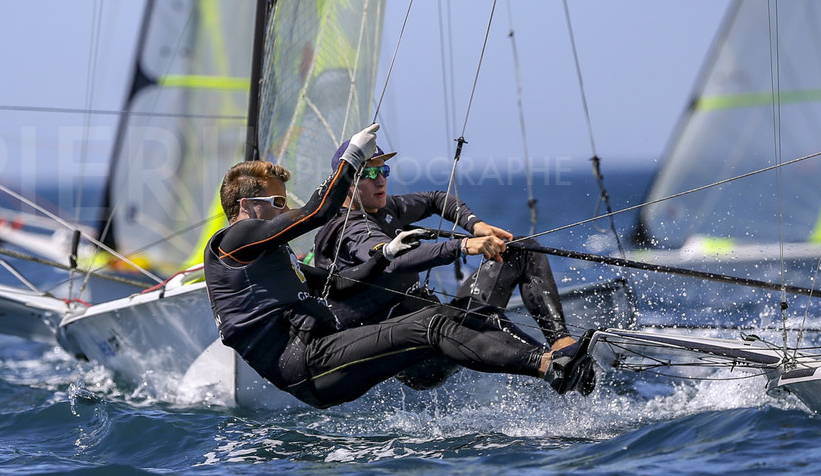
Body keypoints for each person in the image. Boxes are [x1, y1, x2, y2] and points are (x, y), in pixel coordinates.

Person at [202, 124, 597, 409]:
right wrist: (352, 158)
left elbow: (338, 285)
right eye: (277, 205)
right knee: (434, 323)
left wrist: (384, 256)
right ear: (247, 208)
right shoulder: (233, 241)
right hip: (305, 365)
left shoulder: (271, 256)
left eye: (284, 204)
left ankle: (558, 355)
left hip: (320, 352)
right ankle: (551, 366)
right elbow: (316, 212)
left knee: (442, 314)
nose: (284, 212)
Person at [312, 139, 583, 390]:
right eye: (369, 175)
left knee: (521, 250)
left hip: (439, 323)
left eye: (384, 170)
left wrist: (475, 225)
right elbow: (394, 260)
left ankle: (561, 345)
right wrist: (463, 245)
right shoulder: (350, 229)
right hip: (414, 355)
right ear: (344, 182)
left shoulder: (383, 209)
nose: (381, 180)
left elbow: (435, 199)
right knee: (480, 316)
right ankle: (553, 364)